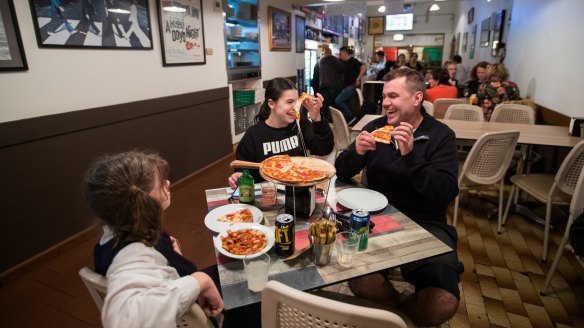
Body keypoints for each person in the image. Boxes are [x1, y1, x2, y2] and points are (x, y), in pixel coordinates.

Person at [335, 68, 463, 327]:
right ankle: (402, 319)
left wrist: (412, 156)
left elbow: (445, 192)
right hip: (376, 221)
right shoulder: (375, 127)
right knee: (361, 279)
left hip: (426, 224)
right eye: (384, 96)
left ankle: (394, 320)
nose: (385, 103)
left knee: (443, 301)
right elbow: (342, 170)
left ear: (417, 98)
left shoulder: (441, 136)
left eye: (393, 96)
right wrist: (356, 153)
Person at [84, 150, 224, 327]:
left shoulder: (113, 231)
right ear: (142, 201)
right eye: (160, 185)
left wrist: (171, 257)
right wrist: (199, 280)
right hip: (200, 311)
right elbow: (125, 319)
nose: (168, 183)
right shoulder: (133, 254)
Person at [228, 77, 334, 187]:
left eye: (296, 101)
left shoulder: (302, 125)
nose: (295, 108)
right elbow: (243, 168)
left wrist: (317, 118)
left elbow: (324, 149)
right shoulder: (253, 135)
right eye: (289, 102)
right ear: (271, 104)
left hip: (298, 189)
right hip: (268, 194)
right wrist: (239, 176)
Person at [335, 46, 366, 124]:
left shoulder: (353, 61)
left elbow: (363, 67)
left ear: (345, 53)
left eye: (341, 54)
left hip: (351, 85)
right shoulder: (343, 62)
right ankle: (350, 121)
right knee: (348, 103)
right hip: (345, 86)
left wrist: (358, 79)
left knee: (338, 100)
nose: (340, 55)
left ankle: (351, 117)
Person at [318, 46, 343, 121]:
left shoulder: (321, 61)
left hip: (322, 85)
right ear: (331, 53)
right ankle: (333, 120)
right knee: (332, 105)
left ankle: (324, 119)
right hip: (332, 85)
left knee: (324, 104)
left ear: (325, 53)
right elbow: (342, 69)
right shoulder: (334, 59)